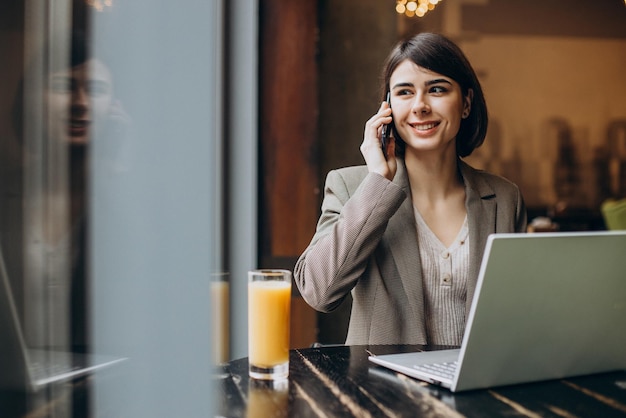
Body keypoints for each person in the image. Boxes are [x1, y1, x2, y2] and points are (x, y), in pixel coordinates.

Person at [294, 32, 527, 346]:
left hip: (477, 390)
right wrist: (377, 182)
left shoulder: (504, 198)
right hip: (384, 391)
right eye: (404, 92)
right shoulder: (351, 186)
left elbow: (518, 315)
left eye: (437, 89)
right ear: (387, 109)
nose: (420, 106)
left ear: (466, 103)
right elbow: (318, 292)